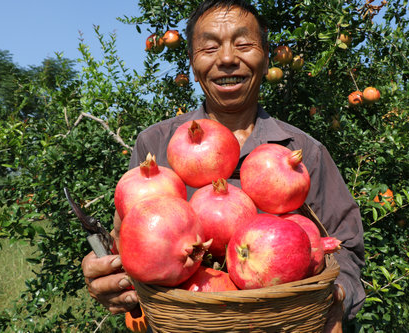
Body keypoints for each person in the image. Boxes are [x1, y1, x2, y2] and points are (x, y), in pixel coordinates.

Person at [82, 0, 365, 331]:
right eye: (209, 47)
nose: (228, 58)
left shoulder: (304, 152)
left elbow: (346, 248)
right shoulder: (155, 145)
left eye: (244, 44)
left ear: (267, 57)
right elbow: (128, 243)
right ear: (192, 62)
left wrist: (337, 298)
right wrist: (107, 269)